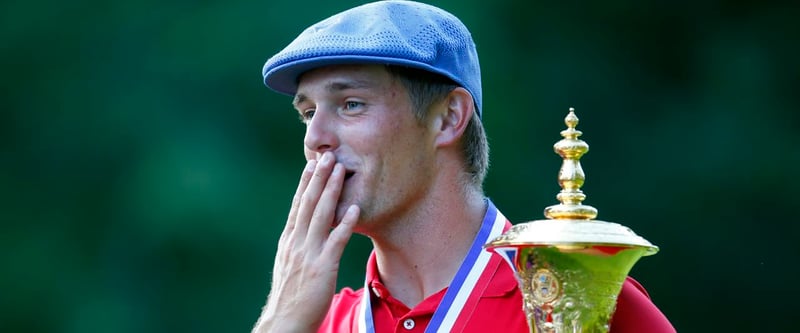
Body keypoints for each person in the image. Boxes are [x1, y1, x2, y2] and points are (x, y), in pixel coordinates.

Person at [252, 1, 675, 332]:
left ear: (449, 117)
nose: (314, 138)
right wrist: (279, 321)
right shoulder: (316, 321)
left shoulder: (578, 300)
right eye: (308, 113)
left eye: (351, 104)